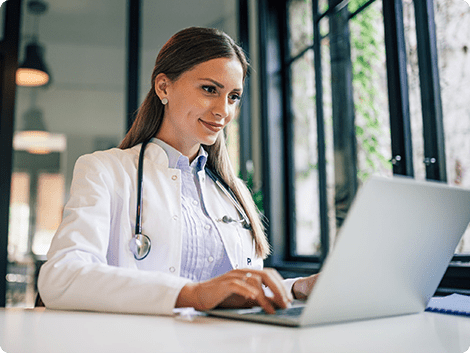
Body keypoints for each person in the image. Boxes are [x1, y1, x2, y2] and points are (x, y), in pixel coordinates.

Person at [37, 27, 318, 316]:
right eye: (210, 89)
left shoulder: (233, 192)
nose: (224, 110)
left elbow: (240, 292)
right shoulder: (106, 170)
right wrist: (192, 295)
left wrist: (296, 288)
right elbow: (61, 278)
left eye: (233, 96)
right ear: (163, 87)